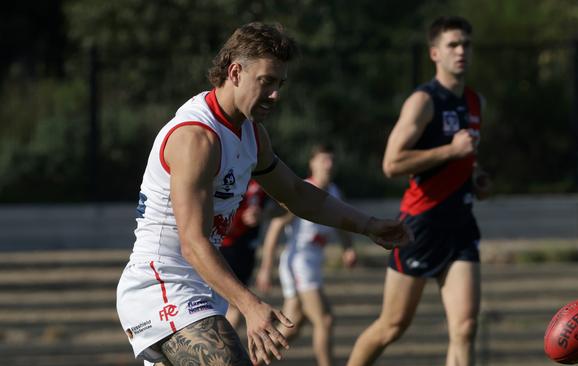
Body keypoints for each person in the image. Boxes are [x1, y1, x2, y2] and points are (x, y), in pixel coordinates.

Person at [115, 22, 411, 366]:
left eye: (280, 84)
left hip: (201, 287)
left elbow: (298, 193)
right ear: (235, 72)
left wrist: (368, 225)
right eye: (267, 81)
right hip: (162, 283)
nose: (276, 94)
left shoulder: (252, 136)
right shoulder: (197, 138)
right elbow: (192, 243)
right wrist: (251, 306)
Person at [347, 16, 490, 366]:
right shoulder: (423, 101)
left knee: (466, 327)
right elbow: (392, 163)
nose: (461, 51)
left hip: (460, 225)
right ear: (434, 53)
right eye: (453, 45)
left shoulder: (475, 102)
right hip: (420, 225)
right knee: (392, 326)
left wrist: (477, 176)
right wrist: (451, 152)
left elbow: (464, 160)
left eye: (466, 44)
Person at [255, 144, 357, 366]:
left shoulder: (335, 192)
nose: (328, 165)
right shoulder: (302, 191)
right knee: (325, 320)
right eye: (323, 160)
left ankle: (252, 362)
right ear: (312, 164)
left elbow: (343, 223)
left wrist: (348, 248)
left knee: (292, 326)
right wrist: (265, 268)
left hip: (312, 264)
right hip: (299, 264)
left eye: (331, 160)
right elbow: (275, 229)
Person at [220, 179, 267, 329]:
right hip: (223, 246)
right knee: (228, 304)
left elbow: (278, 208)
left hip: (245, 248)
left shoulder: (264, 175)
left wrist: (262, 214)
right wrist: (239, 217)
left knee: (236, 306)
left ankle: (225, 349)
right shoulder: (225, 169)